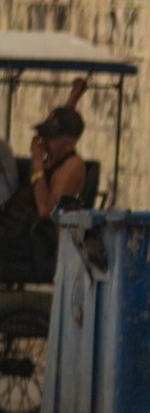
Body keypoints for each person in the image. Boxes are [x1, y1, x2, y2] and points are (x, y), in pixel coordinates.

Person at [0, 79, 90, 281]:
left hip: (32, 237)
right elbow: (65, 122)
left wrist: (38, 165)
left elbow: (46, 211)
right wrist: (74, 97)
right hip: (12, 222)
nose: (45, 142)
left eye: (50, 139)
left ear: (69, 143)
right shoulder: (55, 156)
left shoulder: (72, 166)